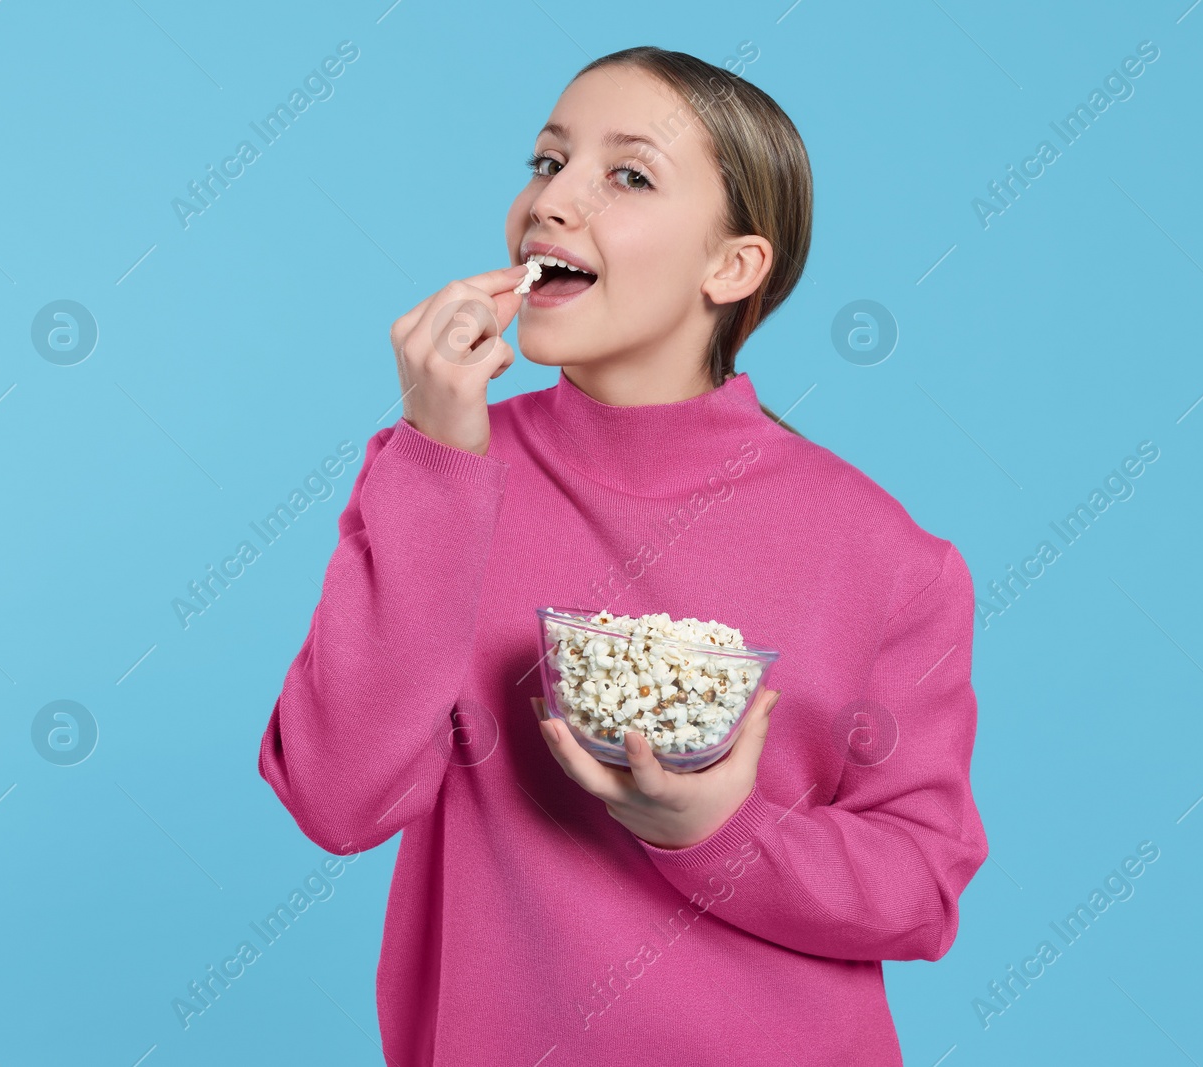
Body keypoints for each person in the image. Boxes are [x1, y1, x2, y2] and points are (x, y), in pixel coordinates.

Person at [258, 45, 987, 1066]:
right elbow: (337, 799)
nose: (553, 200)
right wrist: (433, 457)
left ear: (730, 266)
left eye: (627, 175)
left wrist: (716, 827)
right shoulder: (438, 471)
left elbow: (920, 890)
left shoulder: (886, 557)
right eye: (547, 162)